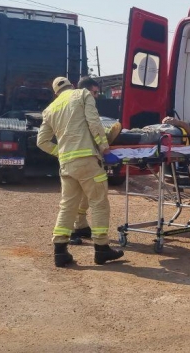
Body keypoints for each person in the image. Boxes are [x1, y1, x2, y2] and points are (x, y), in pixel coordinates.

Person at [37, 76, 124, 267]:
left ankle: (60, 252)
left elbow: (41, 141)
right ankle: (101, 249)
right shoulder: (82, 94)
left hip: (67, 165)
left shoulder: (50, 109)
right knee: (99, 203)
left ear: (55, 93)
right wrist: (105, 148)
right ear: (72, 86)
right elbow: (94, 122)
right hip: (88, 161)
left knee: (67, 206)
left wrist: (60, 153)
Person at [69, 77, 121, 245]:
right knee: (75, 198)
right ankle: (76, 235)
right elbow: (93, 125)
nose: (97, 96)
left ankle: (80, 226)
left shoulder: (74, 105)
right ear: (86, 91)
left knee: (81, 196)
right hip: (80, 157)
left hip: (74, 157)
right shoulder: (85, 100)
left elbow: (91, 128)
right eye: (95, 92)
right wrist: (105, 147)